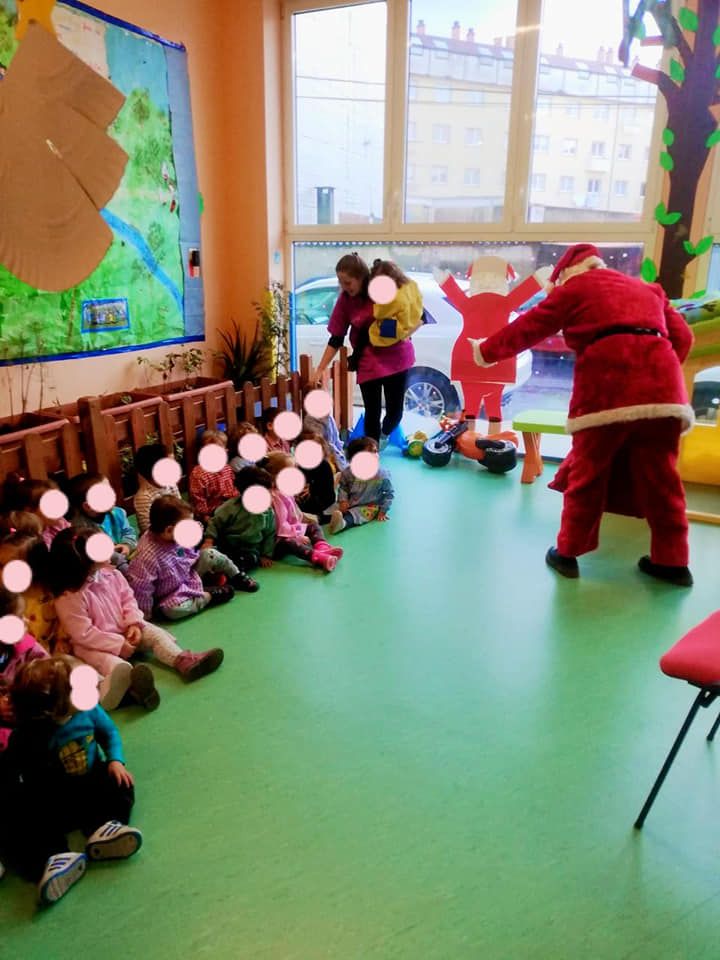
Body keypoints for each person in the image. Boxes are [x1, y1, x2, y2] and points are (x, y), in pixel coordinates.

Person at [469, 242, 695, 585]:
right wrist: (657, 374)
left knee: (589, 474)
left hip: (606, 389)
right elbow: (684, 337)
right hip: (663, 392)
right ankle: (673, 562)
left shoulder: (574, 288)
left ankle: (568, 553)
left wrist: (485, 351)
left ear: (565, 275)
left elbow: (530, 326)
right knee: (663, 479)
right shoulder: (649, 289)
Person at [1, 657, 142, 906]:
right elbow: (11, 772)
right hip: (50, 799)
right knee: (20, 820)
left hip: (88, 782)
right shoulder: (27, 735)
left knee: (121, 783)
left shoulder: (89, 710)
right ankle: (53, 859)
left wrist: (115, 760)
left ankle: (105, 828)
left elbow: (109, 732)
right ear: (50, 709)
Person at [51, 528, 224, 707]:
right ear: (83, 561)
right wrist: (117, 645)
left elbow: (128, 599)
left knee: (156, 634)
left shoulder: (112, 574)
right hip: (96, 646)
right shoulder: (69, 597)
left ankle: (183, 660)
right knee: (116, 666)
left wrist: (133, 623)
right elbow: (83, 634)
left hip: (126, 629)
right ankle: (135, 689)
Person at [312, 252, 416, 444]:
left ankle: (383, 437)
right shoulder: (345, 300)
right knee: (372, 412)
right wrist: (320, 368)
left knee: (395, 413)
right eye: (341, 282)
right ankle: (371, 453)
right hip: (368, 360)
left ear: (361, 278)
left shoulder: (382, 289)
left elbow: (412, 313)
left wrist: (406, 328)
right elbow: (336, 337)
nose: (344, 287)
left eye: (348, 282)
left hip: (397, 357)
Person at [127, 495, 257, 620]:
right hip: (170, 594)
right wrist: (146, 616)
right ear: (169, 530)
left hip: (188, 573)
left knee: (210, 554)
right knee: (171, 610)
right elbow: (141, 588)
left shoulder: (174, 534)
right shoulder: (147, 556)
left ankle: (236, 576)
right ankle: (208, 596)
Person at [263, 452, 342, 572]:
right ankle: (318, 558)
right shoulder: (274, 496)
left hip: (290, 530)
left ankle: (322, 547)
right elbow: (280, 527)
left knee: (313, 525)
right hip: (276, 541)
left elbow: (295, 514)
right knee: (290, 544)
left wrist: (302, 525)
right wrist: (298, 535)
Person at [201, 466, 276, 571]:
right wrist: (209, 541)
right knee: (210, 553)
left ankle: (226, 572)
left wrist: (266, 555)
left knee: (250, 559)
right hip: (227, 544)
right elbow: (215, 523)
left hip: (250, 550)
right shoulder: (231, 506)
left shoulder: (268, 512)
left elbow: (269, 534)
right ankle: (215, 569)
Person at [65, 472, 137, 573]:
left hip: (127, 555)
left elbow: (129, 532)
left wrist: (127, 545)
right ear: (88, 506)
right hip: (105, 567)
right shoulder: (80, 528)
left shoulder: (118, 513)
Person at [328, 437, 395, 534]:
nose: (375, 455)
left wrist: (383, 510)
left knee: (358, 514)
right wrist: (343, 500)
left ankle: (343, 524)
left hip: (370, 505)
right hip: (351, 502)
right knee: (332, 509)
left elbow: (389, 494)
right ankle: (318, 518)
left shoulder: (382, 474)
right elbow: (343, 487)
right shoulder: (348, 472)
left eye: (375, 451)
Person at [188, 430, 237, 524]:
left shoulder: (226, 468)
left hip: (229, 507)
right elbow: (198, 501)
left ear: (226, 450)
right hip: (211, 514)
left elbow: (233, 490)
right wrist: (206, 517)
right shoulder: (199, 473)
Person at [132, 443, 182, 535]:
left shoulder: (171, 484)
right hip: (157, 540)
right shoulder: (144, 497)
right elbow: (148, 530)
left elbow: (181, 510)